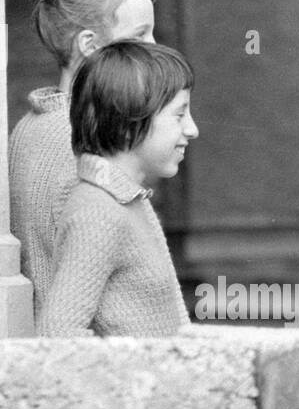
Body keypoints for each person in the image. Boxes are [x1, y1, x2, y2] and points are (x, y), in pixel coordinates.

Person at [8, 0, 158, 320]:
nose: (155, 49)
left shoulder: (35, 124)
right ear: (89, 45)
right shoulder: (84, 143)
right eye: (140, 36)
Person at [39, 41, 197, 337]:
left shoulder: (123, 200)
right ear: (127, 121)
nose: (192, 129)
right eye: (179, 115)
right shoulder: (97, 213)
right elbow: (57, 333)